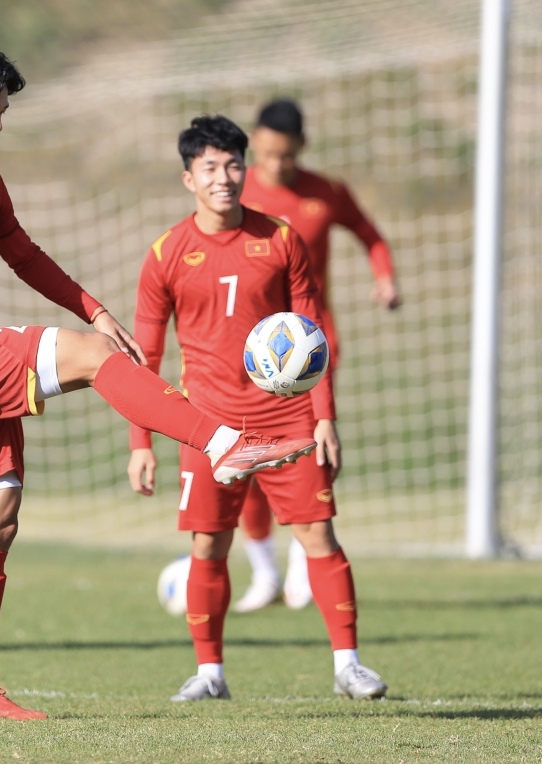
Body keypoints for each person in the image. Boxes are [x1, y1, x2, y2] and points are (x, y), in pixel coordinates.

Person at [0, 37, 316, 721]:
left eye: (5, 111)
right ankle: (223, 442)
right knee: (92, 358)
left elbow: (26, 257)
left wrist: (93, 306)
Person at [126, 115, 387, 702]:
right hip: (206, 425)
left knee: (318, 535)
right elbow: (145, 358)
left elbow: (311, 334)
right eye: (211, 168)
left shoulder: (281, 239)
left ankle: (348, 665)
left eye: (234, 164)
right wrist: (141, 443)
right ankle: (210, 674)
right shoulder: (166, 254)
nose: (225, 177)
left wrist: (324, 417)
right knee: (208, 546)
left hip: (287, 420)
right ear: (188, 178)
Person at [233, 99, 401, 613]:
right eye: (265, 153)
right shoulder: (237, 192)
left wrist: (385, 277)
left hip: (311, 351)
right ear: (254, 145)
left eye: (284, 155)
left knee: (310, 454)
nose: (276, 164)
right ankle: (265, 575)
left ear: (301, 148)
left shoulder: (326, 193)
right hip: (249, 351)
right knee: (247, 460)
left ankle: (306, 570)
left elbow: (371, 236)